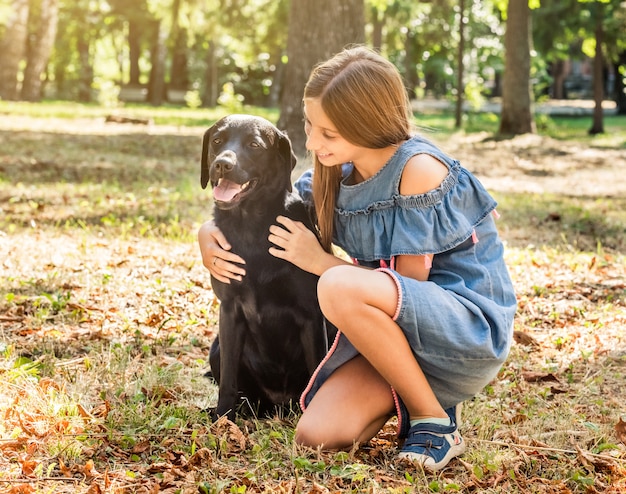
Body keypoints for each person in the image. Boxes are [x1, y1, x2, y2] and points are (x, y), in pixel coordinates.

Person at [198, 45, 517, 471]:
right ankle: (412, 392)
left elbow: (410, 292)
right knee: (317, 436)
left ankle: (435, 422)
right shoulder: (335, 172)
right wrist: (207, 231)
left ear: (368, 125)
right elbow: (279, 201)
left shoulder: (417, 169)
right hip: (389, 340)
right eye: (310, 126)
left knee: (335, 283)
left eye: (327, 133)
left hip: (458, 331)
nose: (312, 142)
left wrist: (320, 262)